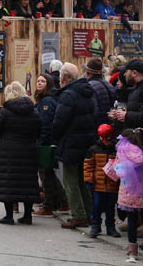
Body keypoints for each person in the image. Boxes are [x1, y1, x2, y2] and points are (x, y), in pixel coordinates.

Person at [0, 81, 41, 225]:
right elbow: (38, 131)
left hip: (8, 152)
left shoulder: (5, 111)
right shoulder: (34, 111)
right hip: (29, 151)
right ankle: (27, 216)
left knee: (8, 182)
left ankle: (9, 216)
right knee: (28, 182)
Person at [53, 62, 97, 228]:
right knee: (81, 179)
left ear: (64, 77)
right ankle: (89, 213)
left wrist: (55, 138)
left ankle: (78, 215)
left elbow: (59, 121)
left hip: (71, 142)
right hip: (86, 141)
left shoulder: (68, 95)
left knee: (70, 180)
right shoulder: (88, 92)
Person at [104, 128, 143, 261]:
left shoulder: (123, 153)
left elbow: (115, 173)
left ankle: (132, 252)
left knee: (132, 222)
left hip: (129, 194)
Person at [33, 73, 69, 216]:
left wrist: (41, 143)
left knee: (46, 175)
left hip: (46, 143)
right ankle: (63, 202)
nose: (39, 83)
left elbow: (45, 125)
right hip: (48, 142)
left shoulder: (47, 101)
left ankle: (48, 206)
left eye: (42, 81)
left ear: (48, 84)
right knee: (49, 174)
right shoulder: (44, 100)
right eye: (38, 81)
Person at [84, 123, 121, 238]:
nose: (107, 142)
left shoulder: (117, 149)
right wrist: (89, 179)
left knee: (110, 207)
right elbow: (88, 166)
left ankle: (110, 227)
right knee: (96, 206)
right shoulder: (93, 149)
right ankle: (96, 226)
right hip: (97, 185)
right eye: (105, 140)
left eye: (108, 140)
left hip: (112, 184)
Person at [85, 57, 118, 127]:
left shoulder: (90, 86)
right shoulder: (109, 85)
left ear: (87, 73)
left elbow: (93, 111)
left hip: (98, 127)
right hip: (110, 125)